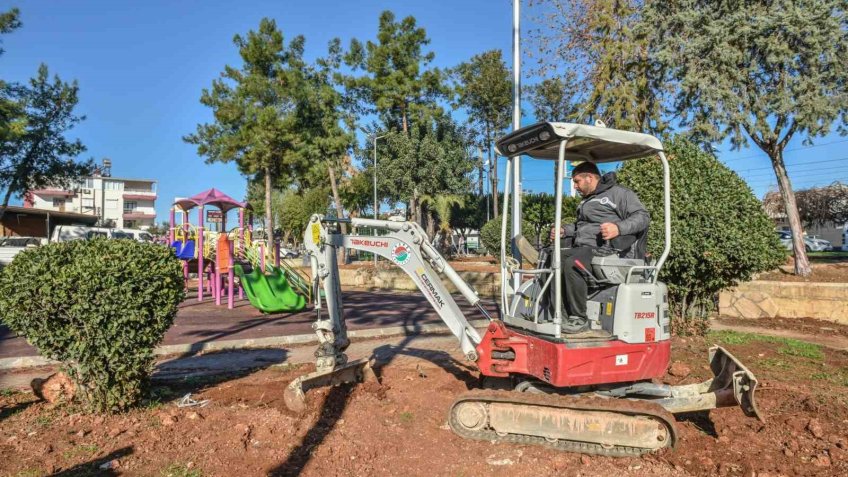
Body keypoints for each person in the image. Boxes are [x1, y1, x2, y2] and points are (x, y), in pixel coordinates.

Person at [549, 161, 650, 336]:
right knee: (553, 259)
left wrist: (618, 228)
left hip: (608, 250)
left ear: (589, 178)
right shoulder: (587, 201)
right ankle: (560, 316)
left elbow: (642, 217)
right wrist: (565, 230)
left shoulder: (619, 194)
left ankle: (579, 319)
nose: (575, 186)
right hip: (583, 247)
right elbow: (583, 226)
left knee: (574, 263)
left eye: (577, 181)